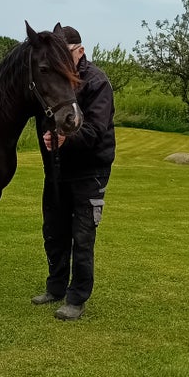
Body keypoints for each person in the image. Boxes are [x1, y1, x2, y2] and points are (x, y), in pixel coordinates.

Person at [29, 26, 115, 320]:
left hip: (90, 172)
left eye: (64, 55)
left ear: (79, 50)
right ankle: (55, 288)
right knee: (53, 231)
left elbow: (96, 130)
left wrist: (67, 139)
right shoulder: (55, 78)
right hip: (56, 171)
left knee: (82, 236)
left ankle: (76, 298)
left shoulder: (97, 82)